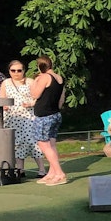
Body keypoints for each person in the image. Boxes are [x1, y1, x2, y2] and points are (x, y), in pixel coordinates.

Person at [1, 60, 46, 177]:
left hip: (28, 116)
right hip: (12, 117)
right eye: (13, 70)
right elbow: (2, 98)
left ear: (24, 71)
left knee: (33, 142)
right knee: (17, 143)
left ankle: (42, 169)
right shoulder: (6, 83)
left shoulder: (30, 82)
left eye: (19, 70)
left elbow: (39, 97)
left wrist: (31, 103)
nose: (16, 73)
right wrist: (4, 106)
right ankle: (20, 169)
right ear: (9, 71)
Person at [28, 56, 67, 186]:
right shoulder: (59, 78)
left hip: (44, 116)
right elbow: (61, 99)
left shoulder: (44, 77)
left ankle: (59, 173)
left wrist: (35, 81)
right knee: (51, 145)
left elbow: (35, 94)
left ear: (40, 66)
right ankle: (51, 173)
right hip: (55, 114)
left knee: (43, 145)